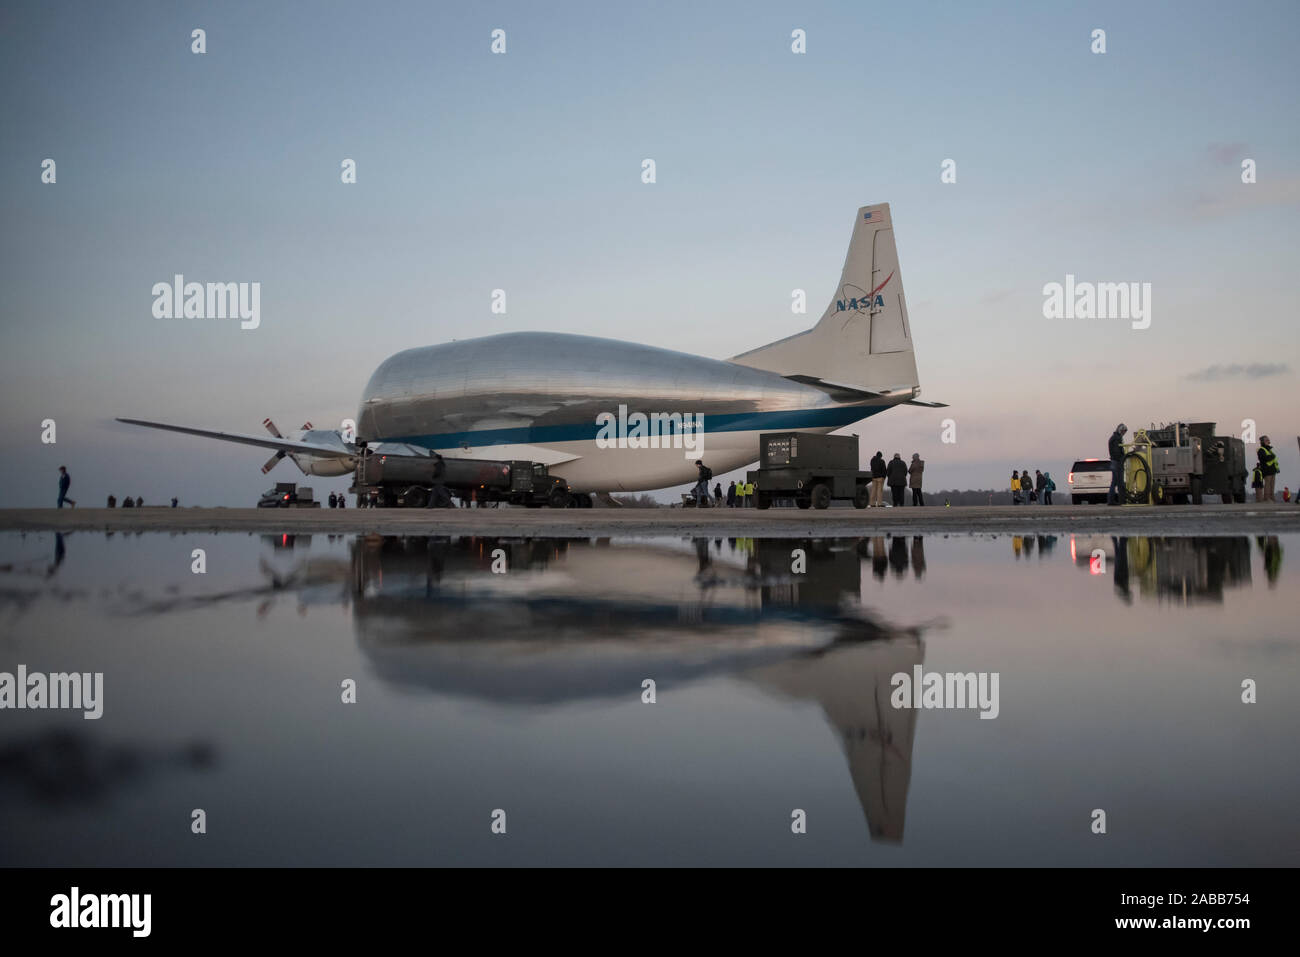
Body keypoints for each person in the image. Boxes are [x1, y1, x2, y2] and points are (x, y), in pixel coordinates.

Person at [1107, 423, 1128, 505]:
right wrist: (1122, 459)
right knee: (1119, 482)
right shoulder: (1116, 439)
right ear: (1120, 430)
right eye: (1123, 431)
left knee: (1115, 482)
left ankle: (1114, 500)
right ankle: (1119, 500)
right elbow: (1117, 452)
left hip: (1115, 462)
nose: (1123, 433)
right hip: (1117, 462)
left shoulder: (1114, 438)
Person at [1258, 436, 1279, 502]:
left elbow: (1273, 460)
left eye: (1268, 440)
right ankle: (1267, 499)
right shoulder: (1261, 450)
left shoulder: (1269, 450)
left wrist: (1277, 468)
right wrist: (1272, 456)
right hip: (1267, 470)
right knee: (1268, 485)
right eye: (1266, 440)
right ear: (1263, 442)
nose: (1268, 441)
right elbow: (1265, 458)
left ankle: (1272, 498)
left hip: (1273, 470)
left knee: (1272, 485)